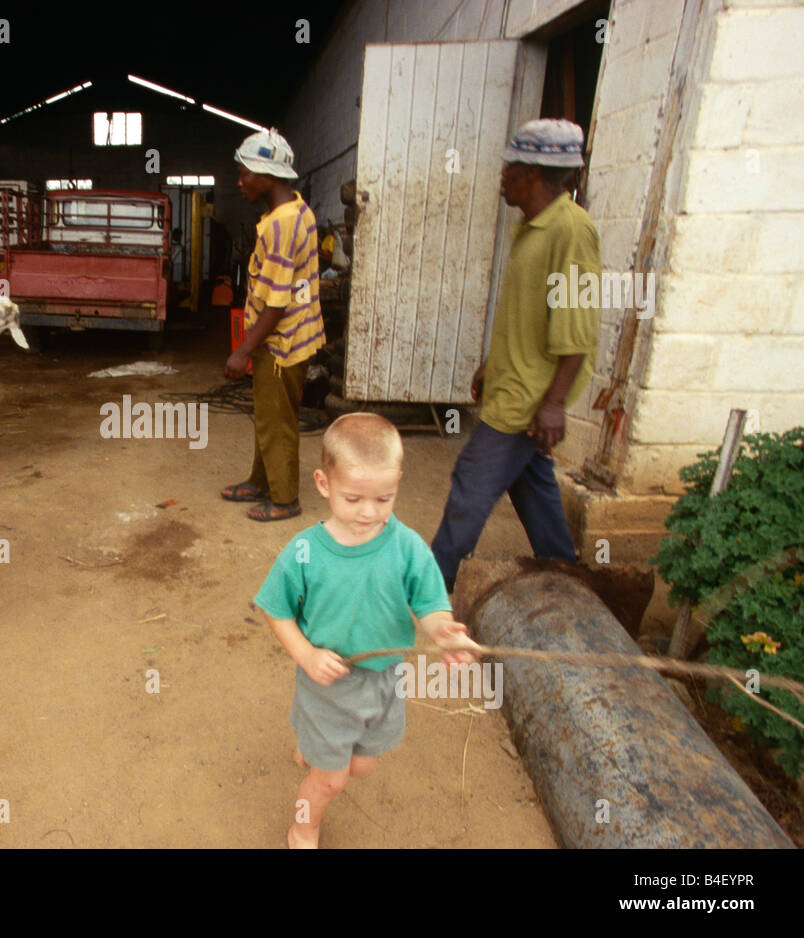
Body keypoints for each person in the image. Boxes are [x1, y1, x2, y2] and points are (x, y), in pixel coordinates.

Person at [254, 413, 480, 848]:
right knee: (332, 780)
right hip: (329, 681)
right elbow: (276, 610)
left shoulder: (408, 546)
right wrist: (305, 655)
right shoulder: (303, 552)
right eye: (353, 498)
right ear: (323, 484)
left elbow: (430, 605)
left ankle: (315, 747)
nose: (369, 513)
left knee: (362, 766)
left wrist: (443, 633)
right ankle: (304, 826)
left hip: (385, 681)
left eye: (384, 498)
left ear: (397, 483)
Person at [431, 118, 601, 592]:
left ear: (532, 172)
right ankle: (563, 570)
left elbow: (579, 325)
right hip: (516, 381)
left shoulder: (572, 231)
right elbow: (525, 312)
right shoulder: (531, 227)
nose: (502, 174)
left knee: (472, 481)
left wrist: (553, 403)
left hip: (530, 395)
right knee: (532, 484)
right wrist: (493, 361)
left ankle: (435, 576)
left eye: (509, 166)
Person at [221, 127, 325, 521]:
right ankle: (260, 482)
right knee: (269, 414)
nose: (241, 181)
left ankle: (284, 499)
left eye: (245, 172)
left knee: (277, 421)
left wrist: (243, 350)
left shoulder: (282, 225)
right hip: (289, 339)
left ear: (268, 175)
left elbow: (277, 302)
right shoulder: (297, 209)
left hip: (282, 344)